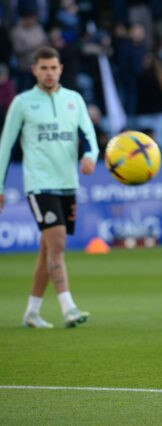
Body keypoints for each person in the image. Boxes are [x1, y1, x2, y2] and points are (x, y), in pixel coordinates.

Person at [0, 46, 98, 328]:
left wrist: (89, 158)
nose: (49, 73)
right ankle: (68, 307)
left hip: (68, 184)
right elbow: (5, 145)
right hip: (39, 185)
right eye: (43, 68)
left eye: (53, 67)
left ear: (61, 69)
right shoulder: (22, 103)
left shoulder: (74, 100)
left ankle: (32, 311)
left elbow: (89, 137)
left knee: (47, 251)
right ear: (34, 70)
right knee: (57, 244)